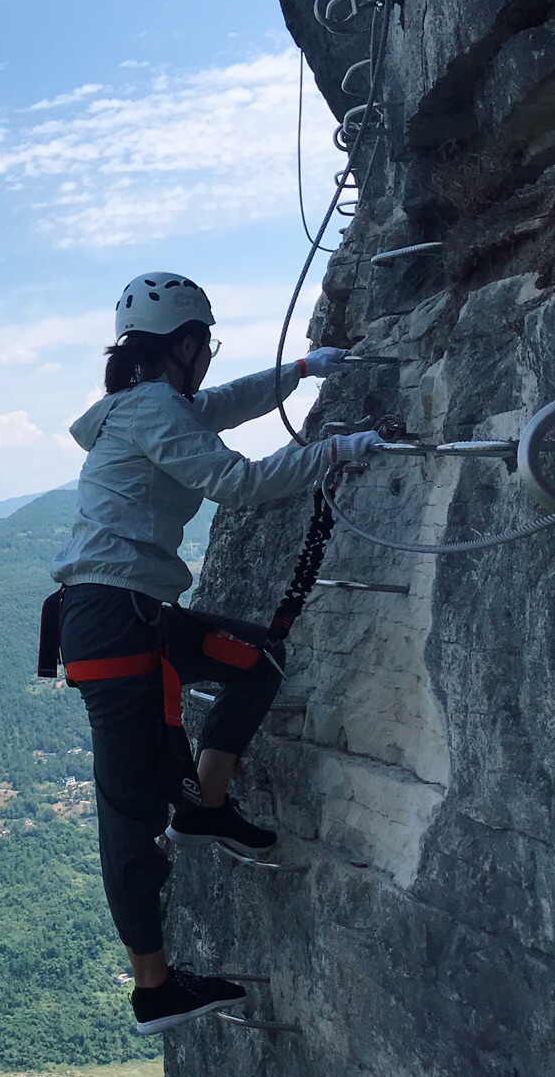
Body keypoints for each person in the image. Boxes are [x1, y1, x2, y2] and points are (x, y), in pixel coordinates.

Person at [47, 273, 384, 1034]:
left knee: (256, 660)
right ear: (187, 346)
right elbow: (237, 482)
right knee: (129, 815)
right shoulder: (150, 411)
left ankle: (207, 806)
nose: (209, 360)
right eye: (206, 346)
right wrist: (335, 452)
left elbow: (221, 405)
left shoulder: (147, 406)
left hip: (129, 616)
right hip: (114, 625)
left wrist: (301, 372)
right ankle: (154, 988)